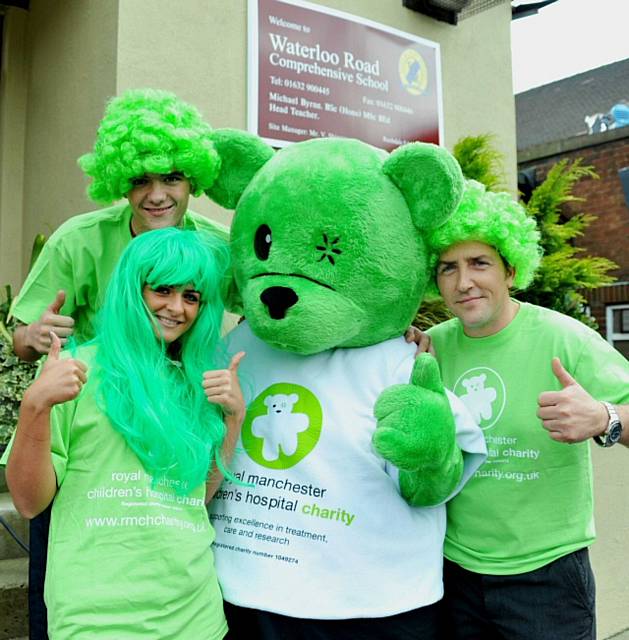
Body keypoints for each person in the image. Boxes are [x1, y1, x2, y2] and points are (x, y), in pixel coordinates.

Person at [8, 87, 228, 638]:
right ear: (119, 181)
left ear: (193, 181)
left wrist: (397, 332)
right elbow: (21, 337)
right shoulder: (79, 241)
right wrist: (34, 342)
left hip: (175, 422)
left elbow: (283, 302)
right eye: (140, 180)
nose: (156, 195)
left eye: (172, 178)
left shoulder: (220, 249)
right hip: (91, 429)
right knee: (62, 579)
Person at [3, 228, 245, 638]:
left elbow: (195, 495)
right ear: (134, 289)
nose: (176, 308)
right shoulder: (76, 369)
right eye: (163, 290)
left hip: (195, 616)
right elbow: (28, 502)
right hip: (96, 617)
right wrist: (34, 407)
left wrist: (233, 419)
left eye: (191, 296)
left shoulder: (196, 381)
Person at [423, 180, 629, 640]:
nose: (464, 282)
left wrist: (604, 417)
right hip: (455, 572)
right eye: (447, 268)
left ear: (510, 270)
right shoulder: (431, 349)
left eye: (479, 263)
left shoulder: (564, 338)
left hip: (547, 578)